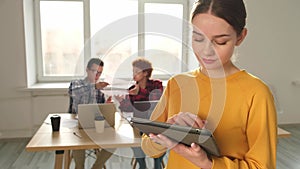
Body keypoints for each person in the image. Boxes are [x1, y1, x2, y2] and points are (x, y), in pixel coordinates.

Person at [141, 0, 277, 169]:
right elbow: (149, 148)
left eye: (220, 42)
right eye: (198, 38)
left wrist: (207, 163)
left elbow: (262, 166)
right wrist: (168, 133)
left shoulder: (256, 93)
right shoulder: (177, 84)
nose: (206, 51)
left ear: (240, 37)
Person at [116, 57, 165, 169]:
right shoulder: (132, 88)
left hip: (155, 122)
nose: (133, 74)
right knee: (134, 139)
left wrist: (140, 92)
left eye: (136, 71)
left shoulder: (157, 85)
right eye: (133, 71)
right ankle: (142, 165)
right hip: (140, 124)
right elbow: (129, 108)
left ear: (145, 73)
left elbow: (154, 101)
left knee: (161, 138)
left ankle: (157, 163)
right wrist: (122, 101)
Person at [68, 58, 112, 169]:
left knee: (114, 141)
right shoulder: (77, 84)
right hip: (78, 126)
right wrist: (94, 87)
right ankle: (79, 167)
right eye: (94, 71)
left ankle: (96, 167)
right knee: (78, 142)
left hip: (95, 126)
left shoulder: (101, 90)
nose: (97, 75)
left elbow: (102, 112)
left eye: (100, 73)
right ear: (87, 70)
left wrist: (107, 105)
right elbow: (73, 92)